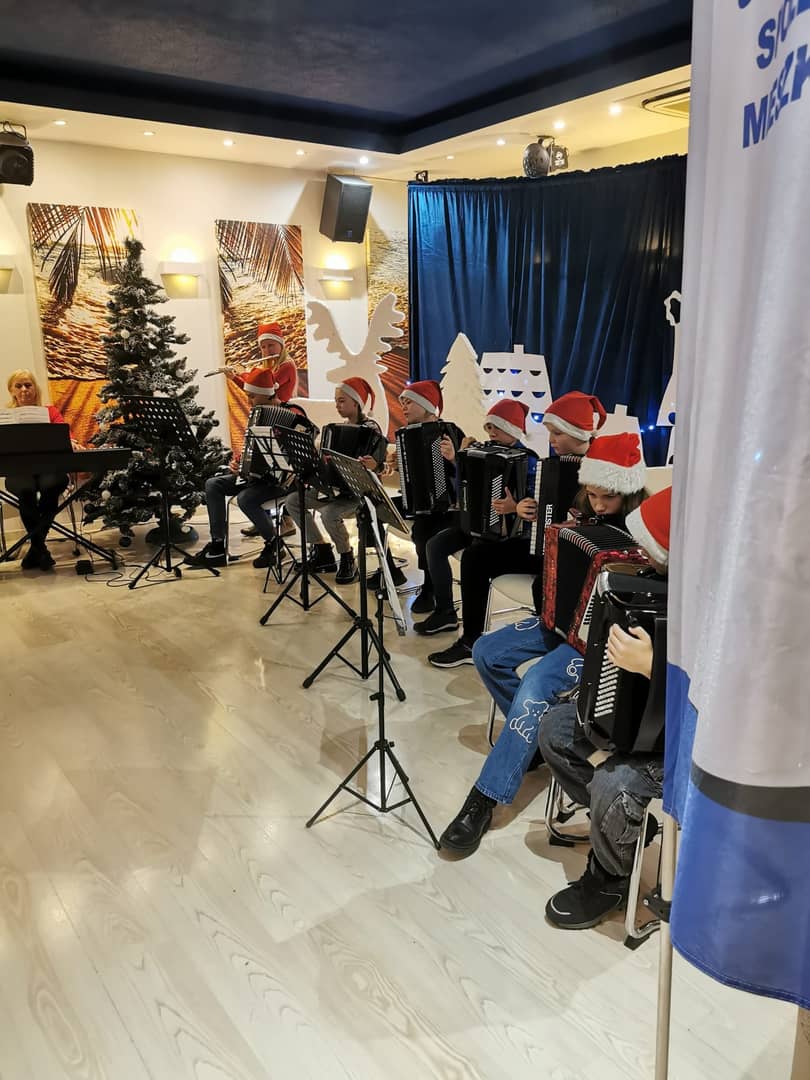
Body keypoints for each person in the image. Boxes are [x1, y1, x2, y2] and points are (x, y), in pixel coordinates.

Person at [439, 433, 649, 857]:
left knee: (536, 683)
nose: (597, 505)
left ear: (627, 491)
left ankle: (485, 798)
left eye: (607, 497)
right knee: (486, 651)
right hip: (558, 622)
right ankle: (533, 737)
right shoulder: (581, 510)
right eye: (592, 495)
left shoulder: (646, 531)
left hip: (596, 641)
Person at [540, 486, 670, 930]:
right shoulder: (650, 584)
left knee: (615, 783)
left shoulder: (724, 613)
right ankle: (621, 826)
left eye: (651, 551)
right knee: (556, 728)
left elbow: (717, 702)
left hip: (683, 745)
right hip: (643, 722)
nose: (641, 557)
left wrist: (652, 667)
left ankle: (610, 875)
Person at [424, 393, 607, 669]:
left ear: (577, 432)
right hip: (543, 546)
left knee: (541, 586)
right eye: (550, 432)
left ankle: (556, 654)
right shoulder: (554, 464)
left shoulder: (602, 463)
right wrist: (523, 508)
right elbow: (543, 508)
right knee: (475, 557)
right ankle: (470, 640)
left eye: (557, 433)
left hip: (579, 558)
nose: (551, 439)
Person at [194, 323, 302, 569]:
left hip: (279, 481)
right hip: (255, 478)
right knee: (213, 484)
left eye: (252, 396)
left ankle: (273, 544)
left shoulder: (292, 414)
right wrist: (240, 463)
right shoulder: (257, 413)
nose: (249, 400)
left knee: (245, 499)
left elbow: (295, 457)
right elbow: (252, 446)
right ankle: (217, 546)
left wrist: (237, 375)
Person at [366, 379, 465, 608]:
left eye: (409, 402)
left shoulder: (450, 431)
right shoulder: (406, 435)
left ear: (427, 405)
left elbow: (468, 474)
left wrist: (454, 459)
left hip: (448, 506)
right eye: (402, 402)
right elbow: (406, 473)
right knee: (371, 509)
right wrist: (391, 465)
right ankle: (389, 570)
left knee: (423, 529)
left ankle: (431, 587)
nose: (403, 407)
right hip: (415, 500)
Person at [284, 377, 387, 584]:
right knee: (293, 501)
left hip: (360, 494)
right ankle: (322, 550)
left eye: (342, 401)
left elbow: (378, 467)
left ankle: (347, 557)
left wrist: (373, 465)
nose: (337, 405)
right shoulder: (336, 429)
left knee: (329, 513)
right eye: (336, 401)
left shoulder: (371, 430)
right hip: (333, 490)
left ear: (356, 403)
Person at [4, 369, 71, 571]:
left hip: (49, 467)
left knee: (52, 485)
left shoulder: (50, 412)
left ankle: (36, 549)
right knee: (26, 490)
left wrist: (72, 441)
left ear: (35, 388)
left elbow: (64, 436)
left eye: (28, 384)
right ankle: (40, 548)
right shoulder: (5, 417)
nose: (24, 389)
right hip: (19, 470)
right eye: (19, 386)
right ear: (11, 391)